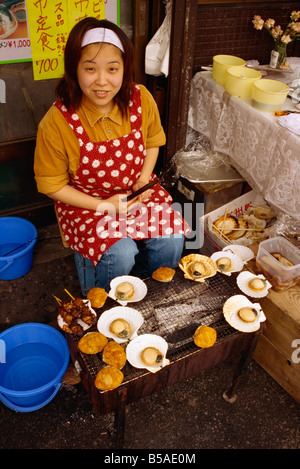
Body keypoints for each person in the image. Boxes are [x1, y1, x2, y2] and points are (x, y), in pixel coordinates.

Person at [34, 17, 190, 292]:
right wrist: (104, 206)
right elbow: (51, 185)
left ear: (124, 69)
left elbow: (154, 141)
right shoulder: (57, 122)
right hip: (87, 205)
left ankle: (151, 294)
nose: (102, 81)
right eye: (90, 68)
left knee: (172, 237)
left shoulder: (140, 98)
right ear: (74, 68)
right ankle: (106, 306)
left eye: (112, 68)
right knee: (121, 252)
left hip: (136, 193)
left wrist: (143, 178)